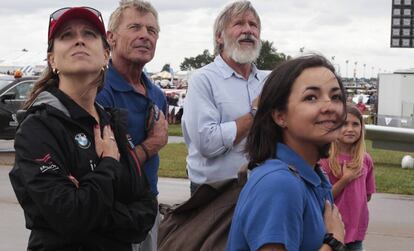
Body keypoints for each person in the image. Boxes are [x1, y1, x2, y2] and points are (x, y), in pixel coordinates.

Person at [9, 7, 157, 250]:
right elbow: (71, 216)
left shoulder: (112, 123)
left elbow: (146, 209)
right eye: (66, 36)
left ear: (105, 55)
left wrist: (93, 207)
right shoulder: (37, 128)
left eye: (89, 34)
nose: (79, 40)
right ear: (52, 60)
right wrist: (108, 163)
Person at [227, 55, 347, 251]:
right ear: (280, 116)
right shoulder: (278, 184)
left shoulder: (311, 175)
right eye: (311, 97)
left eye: (336, 97)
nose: (330, 107)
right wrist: (334, 244)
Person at [96, 1, 168, 250]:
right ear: (111, 38)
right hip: (114, 215)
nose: (144, 36)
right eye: (135, 27)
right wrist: (152, 145)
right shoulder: (98, 92)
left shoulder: (156, 94)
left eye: (151, 30)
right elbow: (105, 169)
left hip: (148, 207)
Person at [182, 0, 268, 194]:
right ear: (219, 37)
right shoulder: (203, 79)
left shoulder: (268, 81)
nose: (248, 30)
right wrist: (255, 113)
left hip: (261, 189)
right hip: (213, 194)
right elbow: (208, 143)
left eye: (253, 25)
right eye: (239, 23)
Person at [320, 104, 376, 251]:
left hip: (356, 232)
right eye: (344, 124)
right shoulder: (325, 160)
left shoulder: (366, 160)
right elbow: (323, 199)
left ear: (361, 129)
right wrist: (345, 180)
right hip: (331, 233)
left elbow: (367, 195)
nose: (350, 129)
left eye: (355, 124)